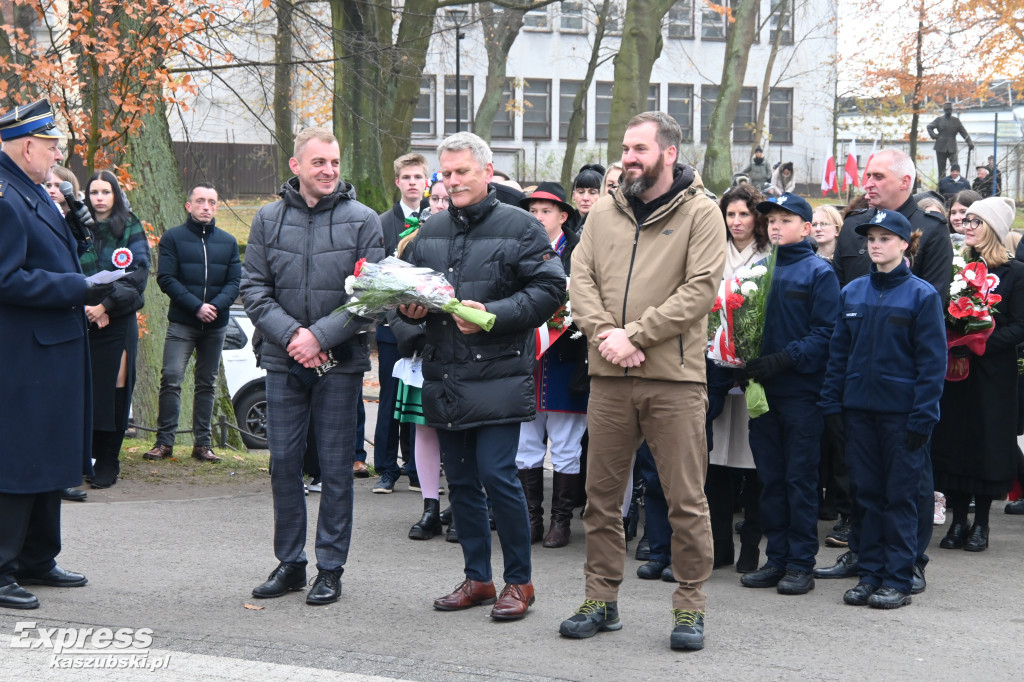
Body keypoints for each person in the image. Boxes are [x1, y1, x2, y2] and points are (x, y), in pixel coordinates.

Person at [560, 111, 725, 651]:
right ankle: (600, 599)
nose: (627, 157)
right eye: (625, 148)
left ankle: (691, 606)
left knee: (685, 499)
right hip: (608, 374)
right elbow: (579, 278)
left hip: (673, 380)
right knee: (601, 498)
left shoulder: (702, 213)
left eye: (638, 149)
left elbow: (700, 289)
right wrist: (607, 333)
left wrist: (635, 334)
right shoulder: (605, 211)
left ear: (668, 153)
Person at [398, 132, 565, 621]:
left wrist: (491, 313)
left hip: (497, 374)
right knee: (464, 482)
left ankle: (520, 582)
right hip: (445, 375)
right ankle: (478, 578)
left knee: (497, 475)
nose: (452, 181)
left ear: (487, 172)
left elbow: (551, 289)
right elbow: (406, 300)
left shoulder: (522, 226)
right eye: (445, 174)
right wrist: (407, 313)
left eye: (461, 172)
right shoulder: (428, 232)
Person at [241, 127, 384, 606]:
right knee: (284, 464)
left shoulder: (364, 220)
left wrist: (320, 337)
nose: (328, 171)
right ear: (296, 166)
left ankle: (330, 568)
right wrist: (294, 337)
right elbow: (254, 289)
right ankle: (290, 563)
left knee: (336, 467)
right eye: (318, 162)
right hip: (284, 361)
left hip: (339, 364)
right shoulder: (267, 219)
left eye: (334, 163)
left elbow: (372, 296)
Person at [820, 148, 952, 591]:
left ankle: (900, 573)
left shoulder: (921, 289)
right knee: (867, 494)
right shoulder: (853, 291)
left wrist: (923, 414)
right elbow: (840, 350)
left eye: (883, 239)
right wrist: (834, 402)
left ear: (903, 243)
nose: (874, 245)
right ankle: (870, 570)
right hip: (860, 407)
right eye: (870, 239)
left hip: (901, 411)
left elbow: (932, 360)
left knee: (902, 496)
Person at [0, 100, 107, 609]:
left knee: (48, 454)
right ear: (27, 146)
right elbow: (6, 278)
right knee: (19, 458)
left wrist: (78, 222)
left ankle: (38, 557)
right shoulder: (4, 195)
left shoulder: (32, 190)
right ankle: (2, 568)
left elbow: (59, 248)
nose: (57, 153)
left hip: (52, 348)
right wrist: (76, 286)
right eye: (50, 146)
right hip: (23, 352)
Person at [739, 193, 839, 597]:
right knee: (771, 479)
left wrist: (785, 359)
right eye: (772, 220)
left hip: (801, 394)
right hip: (763, 393)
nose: (776, 226)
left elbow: (828, 334)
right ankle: (777, 558)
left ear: (806, 226)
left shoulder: (820, 273)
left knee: (799, 480)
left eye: (785, 219)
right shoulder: (759, 269)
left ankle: (801, 563)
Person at [933, 197, 1024, 552]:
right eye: (966, 220)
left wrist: (981, 341)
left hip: (992, 373)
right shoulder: (958, 266)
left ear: (994, 229)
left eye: (976, 221)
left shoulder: (1015, 272)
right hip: (956, 370)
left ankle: (982, 524)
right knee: (954, 442)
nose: (967, 226)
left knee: (985, 444)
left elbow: (1019, 326)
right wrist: (954, 337)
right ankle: (958, 521)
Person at [144, 183, 241, 463]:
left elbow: (235, 282)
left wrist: (215, 307)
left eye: (211, 202)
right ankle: (164, 442)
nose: (206, 206)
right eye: (200, 201)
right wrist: (196, 306)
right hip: (183, 323)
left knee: (207, 383)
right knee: (172, 378)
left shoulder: (228, 242)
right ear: (189, 205)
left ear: (217, 207)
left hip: (216, 324)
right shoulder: (172, 238)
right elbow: (166, 278)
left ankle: (202, 444)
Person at [516, 182, 588, 548]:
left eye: (546, 211)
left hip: (564, 361)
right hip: (525, 362)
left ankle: (561, 521)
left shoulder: (579, 252)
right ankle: (530, 517)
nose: (538, 217)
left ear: (563, 216)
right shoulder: (518, 250)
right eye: (533, 211)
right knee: (525, 442)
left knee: (565, 443)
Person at [704, 184, 770, 574]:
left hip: (751, 372)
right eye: (730, 214)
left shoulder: (769, 256)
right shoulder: (712, 251)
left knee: (753, 460)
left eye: (744, 214)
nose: (737, 221)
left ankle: (750, 545)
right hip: (712, 367)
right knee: (714, 459)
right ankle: (718, 543)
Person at [81, 170, 151, 489]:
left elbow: (137, 276)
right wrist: (88, 308)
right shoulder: (78, 225)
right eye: (94, 192)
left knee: (115, 388)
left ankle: (109, 458)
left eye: (105, 192)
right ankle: (89, 457)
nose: (99, 197)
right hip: (82, 318)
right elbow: (67, 268)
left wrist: (105, 306)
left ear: (115, 194)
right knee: (87, 390)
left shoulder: (131, 225)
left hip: (117, 319)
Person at [374, 153, 429, 492]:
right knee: (390, 397)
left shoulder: (436, 221)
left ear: (426, 181)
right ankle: (385, 467)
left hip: (424, 327)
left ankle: (414, 466)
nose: (412, 182)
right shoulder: (382, 223)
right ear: (397, 182)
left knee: (417, 396)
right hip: (391, 326)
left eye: (418, 177)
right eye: (406, 177)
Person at [926, 103, 973, 178]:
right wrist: (933, 135)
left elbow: (963, 132)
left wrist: (969, 142)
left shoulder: (956, 121)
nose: (949, 111)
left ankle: (956, 183)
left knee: (955, 166)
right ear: (944, 110)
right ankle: (942, 185)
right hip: (940, 147)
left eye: (950, 109)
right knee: (941, 169)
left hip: (952, 147)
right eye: (947, 109)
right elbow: (929, 127)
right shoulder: (939, 120)